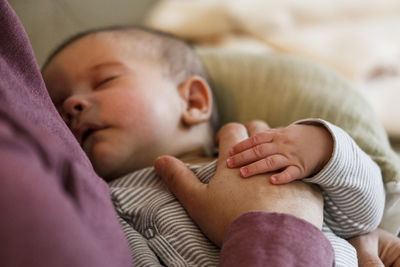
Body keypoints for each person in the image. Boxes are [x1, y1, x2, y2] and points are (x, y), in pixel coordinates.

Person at [41, 25, 389, 266]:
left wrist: (323, 148)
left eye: (104, 80)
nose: (73, 104)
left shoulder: (264, 150)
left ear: (193, 101)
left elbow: (364, 217)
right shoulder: (109, 208)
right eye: (56, 107)